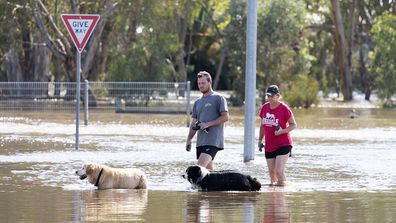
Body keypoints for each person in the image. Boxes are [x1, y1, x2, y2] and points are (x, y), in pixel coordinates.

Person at [186, 71, 229, 170]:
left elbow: (226, 117)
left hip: (213, 141)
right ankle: (217, 186)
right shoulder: (197, 101)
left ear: (210, 82)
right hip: (201, 141)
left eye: (203, 83)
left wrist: (207, 124)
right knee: (208, 173)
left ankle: (192, 186)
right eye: (199, 83)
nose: (200, 86)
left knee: (198, 170)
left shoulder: (219, 98)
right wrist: (189, 139)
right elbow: (194, 122)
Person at [258, 85, 296, 186]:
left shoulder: (284, 108)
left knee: (279, 171)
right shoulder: (264, 107)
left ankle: (283, 194)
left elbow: (293, 125)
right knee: (272, 174)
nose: (270, 98)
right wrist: (259, 140)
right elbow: (262, 125)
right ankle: (274, 196)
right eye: (268, 96)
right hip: (269, 145)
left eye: (272, 96)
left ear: (278, 95)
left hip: (283, 144)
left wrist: (281, 131)